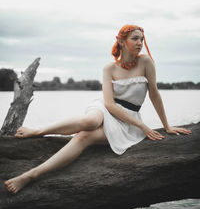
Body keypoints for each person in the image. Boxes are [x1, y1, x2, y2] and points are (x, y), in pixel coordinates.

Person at [4, 24, 192, 194]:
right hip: (104, 107)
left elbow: (154, 95)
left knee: (85, 136)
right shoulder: (109, 68)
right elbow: (109, 104)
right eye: (135, 38)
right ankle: (38, 130)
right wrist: (142, 126)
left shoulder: (146, 63)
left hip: (128, 120)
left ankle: (31, 175)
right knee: (90, 121)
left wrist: (166, 126)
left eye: (142, 39)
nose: (140, 43)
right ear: (121, 41)